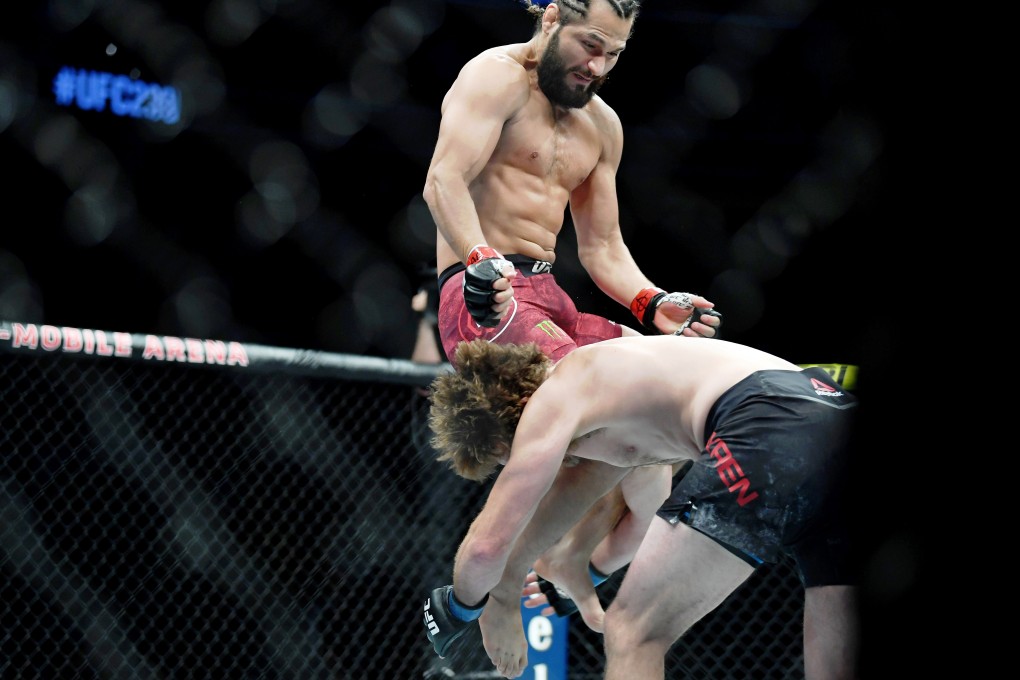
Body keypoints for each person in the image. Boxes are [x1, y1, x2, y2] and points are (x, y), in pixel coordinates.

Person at [421, 337, 859, 679]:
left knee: (632, 631)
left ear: (505, 428)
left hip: (768, 417)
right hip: (832, 411)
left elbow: (485, 547)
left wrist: (464, 607)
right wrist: (518, 583)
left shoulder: (556, 396)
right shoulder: (614, 400)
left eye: (505, 460)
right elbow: (572, 505)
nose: (521, 467)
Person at [422, 0, 722, 363]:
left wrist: (651, 300)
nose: (597, 67)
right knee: (586, 381)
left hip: (550, 295)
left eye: (613, 53)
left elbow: (602, 246)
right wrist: (479, 257)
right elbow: (444, 179)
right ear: (551, 19)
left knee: (666, 368)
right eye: (590, 45)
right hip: (487, 298)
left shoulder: (603, 125)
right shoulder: (496, 76)